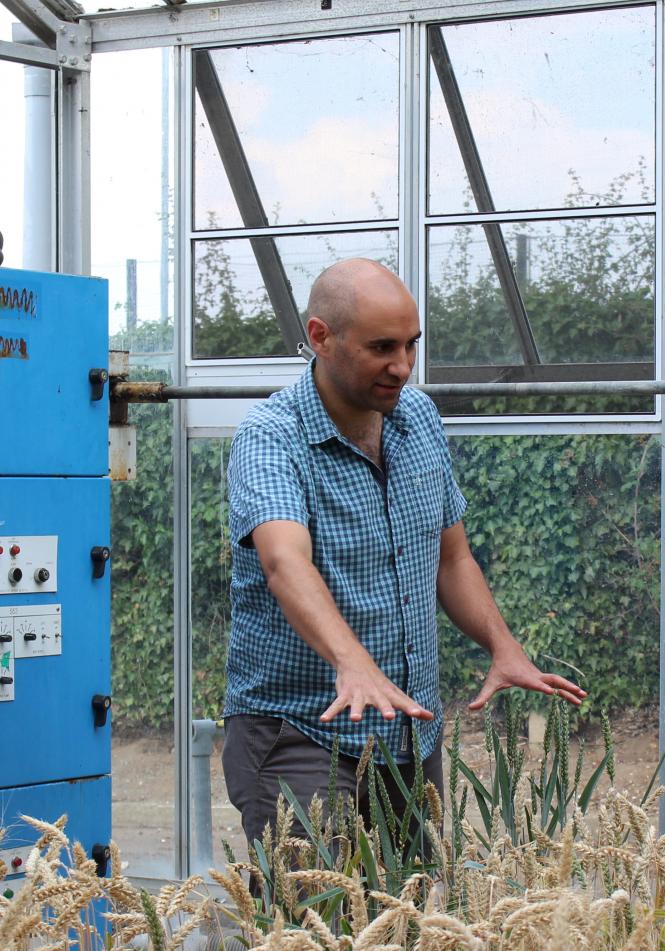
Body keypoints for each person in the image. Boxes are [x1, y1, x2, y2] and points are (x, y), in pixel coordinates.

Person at [221, 258, 584, 851]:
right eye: (382, 348)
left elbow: (452, 558)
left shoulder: (417, 417)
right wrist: (352, 661)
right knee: (316, 927)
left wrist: (502, 644)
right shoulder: (272, 434)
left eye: (412, 345)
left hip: (406, 735)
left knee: (409, 929)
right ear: (320, 337)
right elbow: (285, 561)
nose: (403, 367)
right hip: (302, 732)